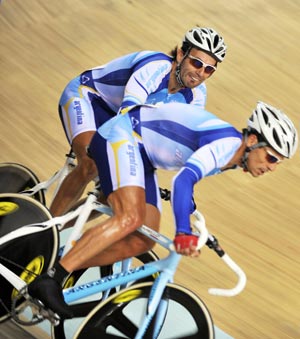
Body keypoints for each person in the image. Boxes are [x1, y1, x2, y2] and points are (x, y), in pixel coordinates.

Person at [28, 101, 298, 318]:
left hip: (143, 155)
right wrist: (182, 231)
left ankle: (58, 265)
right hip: (124, 136)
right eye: (271, 157)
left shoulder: (234, 157)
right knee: (130, 218)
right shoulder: (227, 145)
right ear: (252, 140)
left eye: (279, 163)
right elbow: (184, 179)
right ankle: (51, 280)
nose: (272, 167)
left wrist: (189, 212)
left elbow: (187, 181)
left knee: (144, 238)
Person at [50, 26, 227, 216]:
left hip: (116, 117)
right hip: (87, 97)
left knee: (118, 192)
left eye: (209, 69)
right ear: (180, 54)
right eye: (196, 63)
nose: (200, 72)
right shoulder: (155, 68)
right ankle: (42, 233)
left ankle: (63, 231)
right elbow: (126, 117)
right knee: (90, 165)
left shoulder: (197, 95)